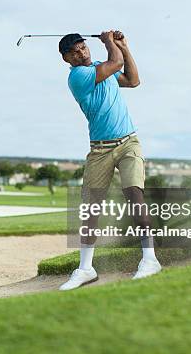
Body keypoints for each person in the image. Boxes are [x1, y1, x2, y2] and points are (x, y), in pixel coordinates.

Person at [58, 30, 162, 291]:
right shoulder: (79, 76)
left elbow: (133, 80)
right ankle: (85, 269)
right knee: (91, 209)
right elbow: (114, 64)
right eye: (75, 51)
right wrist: (109, 42)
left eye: (83, 47)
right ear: (66, 59)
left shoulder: (98, 68)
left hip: (129, 142)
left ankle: (150, 260)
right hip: (100, 150)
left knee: (134, 195)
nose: (82, 52)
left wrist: (124, 47)